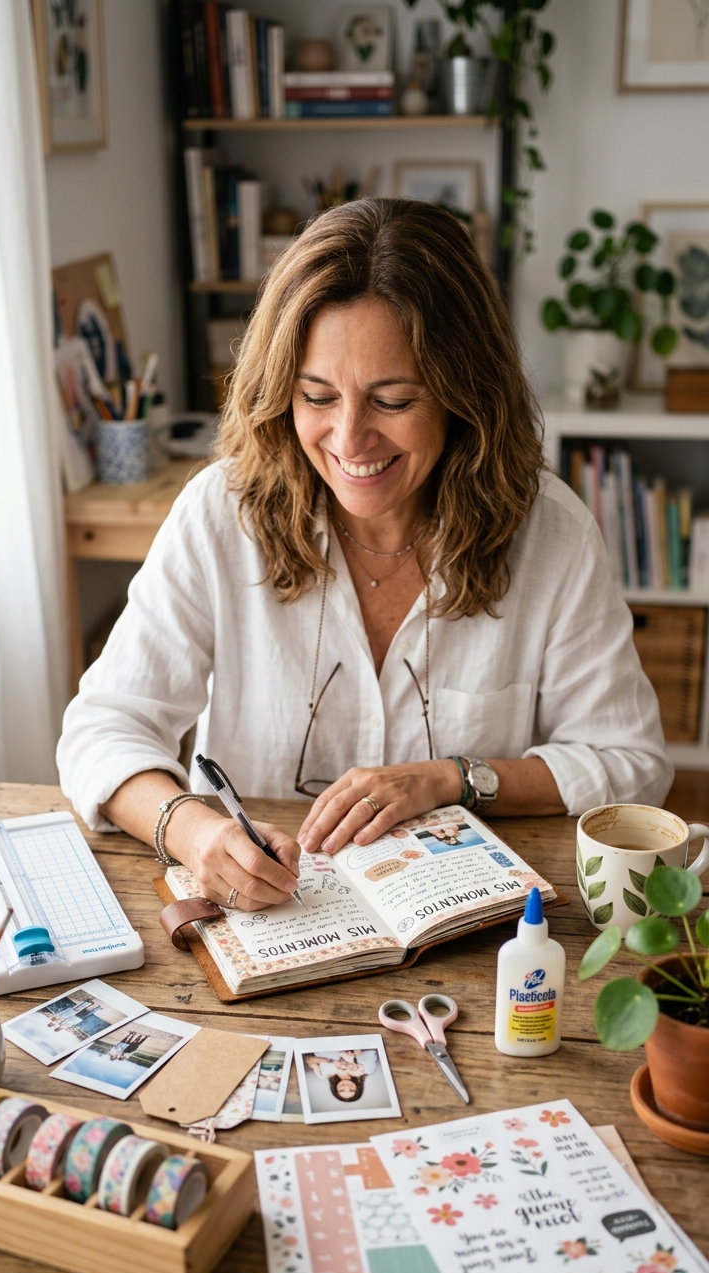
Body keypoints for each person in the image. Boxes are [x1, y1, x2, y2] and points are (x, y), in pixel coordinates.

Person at [57, 199, 672, 914]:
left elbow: (632, 767)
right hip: (270, 926)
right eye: (317, 396)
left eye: (392, 400)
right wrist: (193, 832)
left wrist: (453, 778)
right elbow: (102, 730)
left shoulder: (552, 534)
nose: (349, 440)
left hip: (473, 939)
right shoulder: (221, 513)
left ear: (462, 394)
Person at [304, 1048, 379, 1102]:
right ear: (358, 1088)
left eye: (341, 1090)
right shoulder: (366, 1070)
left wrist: (331, 1062)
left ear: (335, 1089)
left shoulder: (323, 1075)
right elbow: (372, 1048)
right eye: (351, 1090)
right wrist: (356, 1053)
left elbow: (308, 1059)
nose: (346, 1087)